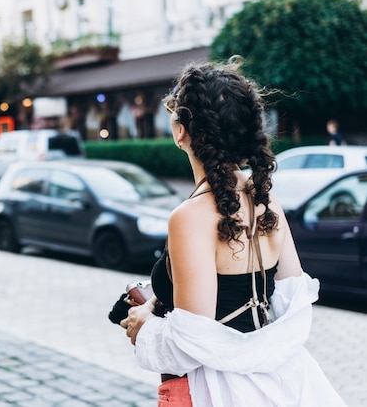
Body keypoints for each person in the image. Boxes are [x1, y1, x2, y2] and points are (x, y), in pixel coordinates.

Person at [119, 57, 346, 407]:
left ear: (182, 131)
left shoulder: (190, 217)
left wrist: (144, 324)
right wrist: (156, 302)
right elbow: (293, 308)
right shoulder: (266, 201)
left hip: (221, 390)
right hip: (287, 380)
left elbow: (193, 341)